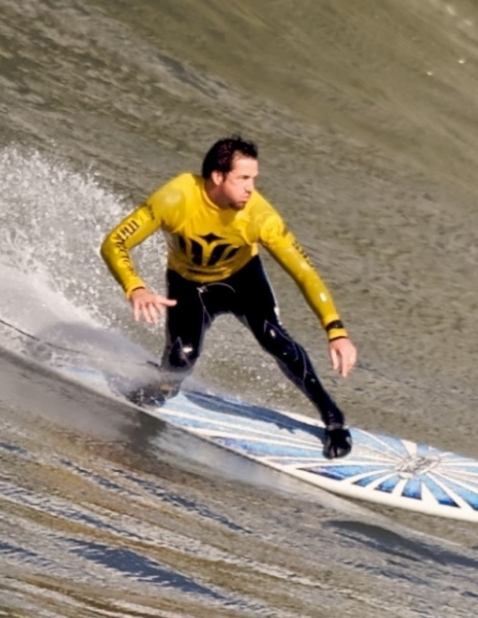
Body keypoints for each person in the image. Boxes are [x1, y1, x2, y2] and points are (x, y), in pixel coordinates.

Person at [100, 137, 359, 459]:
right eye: (243, 179)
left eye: (254, 179)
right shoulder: (176, 198)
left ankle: (333, 418)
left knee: (275, 339)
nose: (251, 188)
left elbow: (304, 272)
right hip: (189, 284)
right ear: (218, 177)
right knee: (181, 359)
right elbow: (114, 243)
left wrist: (336, 331)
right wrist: (135, 287)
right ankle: (165, 384)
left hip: (242, 281)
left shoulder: (260, 217)